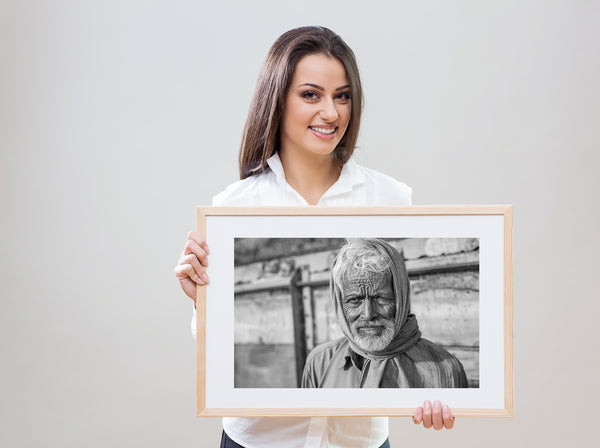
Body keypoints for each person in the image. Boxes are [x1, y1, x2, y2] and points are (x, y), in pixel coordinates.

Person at [174, 26, 455, 448]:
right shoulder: (233, 205)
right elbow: (220, 355)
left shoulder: (392, 198)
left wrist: (431, 389)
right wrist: (203, 302)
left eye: (342, 96)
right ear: (277, 99)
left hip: (359, 440)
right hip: (258, 440)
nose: (331, 113)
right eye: (311, 95)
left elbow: (401, 328)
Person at [302, 238, 468, 389]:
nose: (368, 314)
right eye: (354, 300)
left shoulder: (446, 370)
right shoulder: (320, 363)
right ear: (340, 302)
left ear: (400, 299)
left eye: (381, 298)